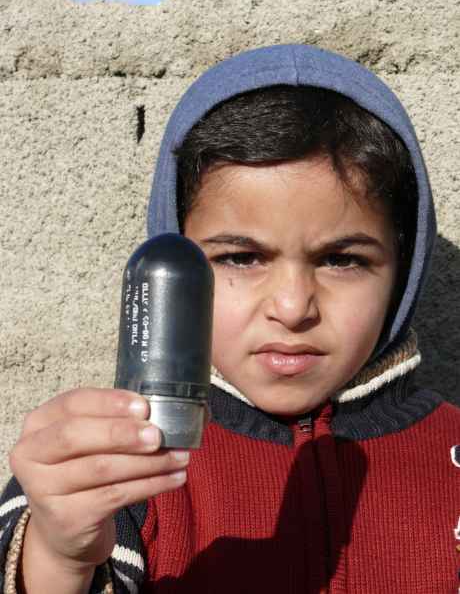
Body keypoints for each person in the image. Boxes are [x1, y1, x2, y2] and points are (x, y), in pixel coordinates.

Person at [0, 44, 458, 594]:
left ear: (404, 271)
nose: (291, 308)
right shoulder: (109, 462)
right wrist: (60, 555)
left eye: (342, 259)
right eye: (240, 257)